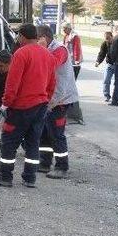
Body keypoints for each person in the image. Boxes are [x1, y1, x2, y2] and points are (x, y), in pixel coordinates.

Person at [0, 24, 57, 189]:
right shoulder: (48, 55)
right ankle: (30, 178)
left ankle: (5, 177)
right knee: (33, 142)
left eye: (19, 36)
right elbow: (52, 83)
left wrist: (6, 103)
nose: (18, 39)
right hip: (40, 106)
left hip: (21, 107)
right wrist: (45, 100)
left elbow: (13, 83)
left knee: (8, 142)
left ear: (22, 37)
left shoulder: (20, 53)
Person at [36, 25, 79, 179]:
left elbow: (51, 64)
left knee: (56, 134)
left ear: (44, 37)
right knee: (44, 132)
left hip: (61, 100)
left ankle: (62, 166)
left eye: (37, 39)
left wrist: (41, 50)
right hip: (50, 99)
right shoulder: (47, 49)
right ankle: (45, 162)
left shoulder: (60, 49)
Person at [95, 31, 115, 102]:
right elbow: (102, 53)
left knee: (117, 82)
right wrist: (98, 61)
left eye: (108, 38)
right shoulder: (105, 43)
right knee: (106, 80)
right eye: (106, 39)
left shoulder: (116, 43)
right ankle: (107, 95)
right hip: (109, 65)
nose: (107, 40)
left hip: (117, 65)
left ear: (112, 36)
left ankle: (115, 97)